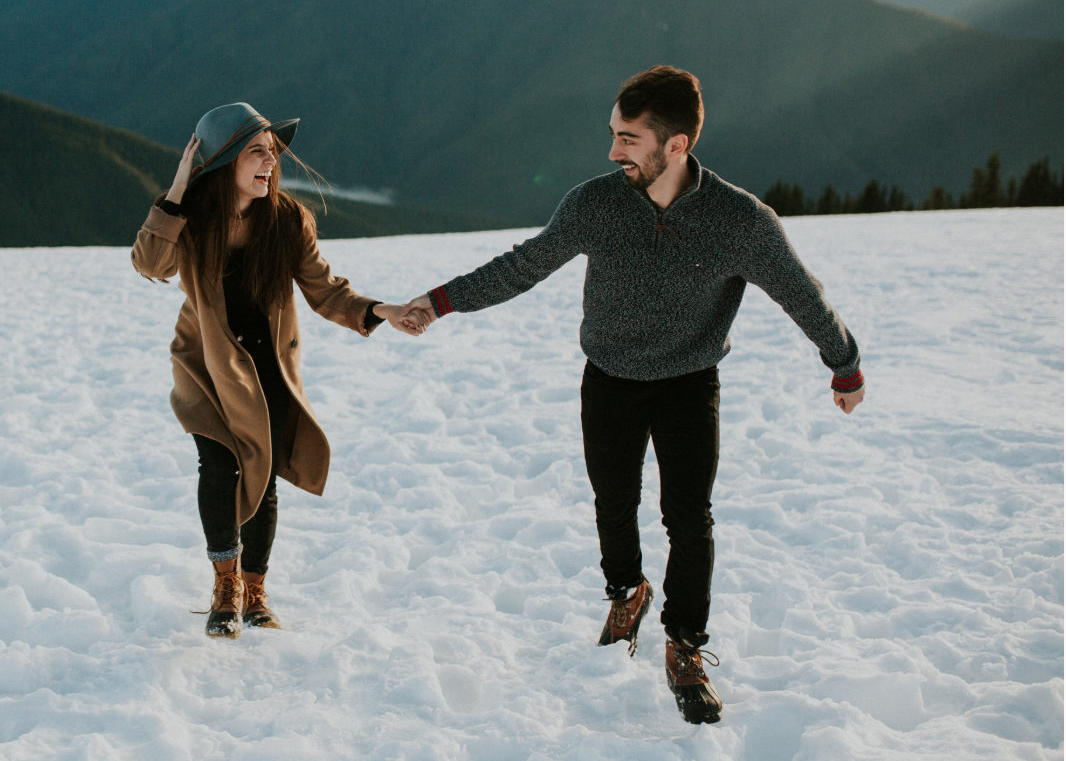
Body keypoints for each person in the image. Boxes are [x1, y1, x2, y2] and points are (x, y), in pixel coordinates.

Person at [399, 66, 865, 724]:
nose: (613, 151)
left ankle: (685, 644)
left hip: (687, 383)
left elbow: (800, 292)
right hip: (610, 380)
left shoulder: (739, 221)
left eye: (628, 138)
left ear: (675, 145)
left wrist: (844, 365)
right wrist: (440, 302)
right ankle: (627, 590)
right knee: (614, 504)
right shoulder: (596, 203)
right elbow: (525, 264)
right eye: (613, 134)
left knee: (689, 515)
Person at [132, 102, 423, 639]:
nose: (271, 162)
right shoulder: (191, 217)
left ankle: (254, 588)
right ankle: (226, 587)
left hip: (268, 362)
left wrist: (380, 310)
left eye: (272, 151)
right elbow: (151, 265)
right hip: (208, 365)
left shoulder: (288, 219)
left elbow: (326, 291)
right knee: (219, 465)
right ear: (221, 163)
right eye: (256, 152)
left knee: (262, 475)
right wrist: (177, 187)